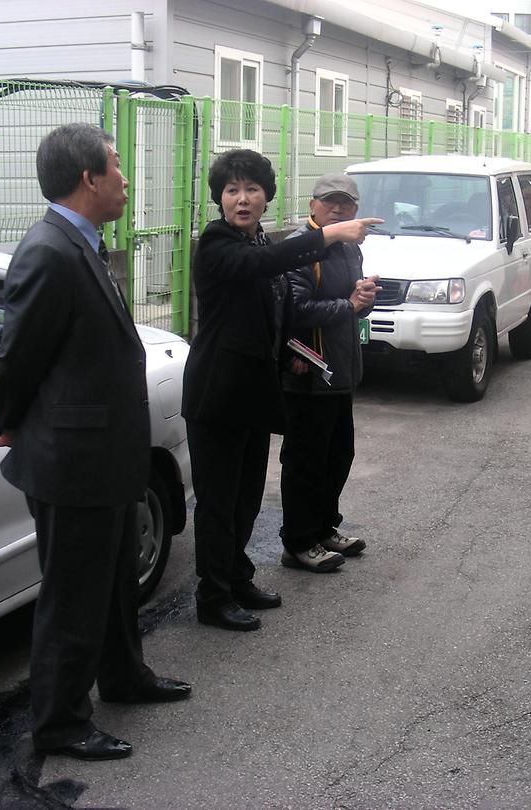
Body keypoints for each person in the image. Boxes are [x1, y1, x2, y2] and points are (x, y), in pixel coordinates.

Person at [0, 123, 190, 762]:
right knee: (73, 597)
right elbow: (16, 356)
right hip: (72, 462)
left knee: (114, 581)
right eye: (117, 166)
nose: (125, 179)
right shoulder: (49, 251)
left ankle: (124, 676)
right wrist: (4, 418)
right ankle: (60, 723)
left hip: (106, 455)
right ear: (88, 179)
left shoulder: (84, 244)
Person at [182, 150, 381, 632]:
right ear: (219, 199)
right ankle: (213, 596)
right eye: (232, 190)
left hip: (254, 391)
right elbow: (270, 262)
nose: (242, 199)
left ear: (266, 197)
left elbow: (276, 312)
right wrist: (330, 234)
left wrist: (293, 351)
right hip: (216, 394)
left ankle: (237, 577)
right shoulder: (216, 243)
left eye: (251, 189)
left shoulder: (255, 242)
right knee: (218, 502)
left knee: (247, 496)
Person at [279, 173, 378, 573]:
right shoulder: (301, 248)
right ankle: (298, 542)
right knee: (306, 461)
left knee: (337, 455)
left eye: (346, 203)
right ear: (312, 206)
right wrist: (349, 305)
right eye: (329, 201)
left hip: (339, 369)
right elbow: (294, 310)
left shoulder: (349, 247)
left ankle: (323, 528)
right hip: (307, 371)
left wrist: (365, 299)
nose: (338, 208)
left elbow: (353, 305)